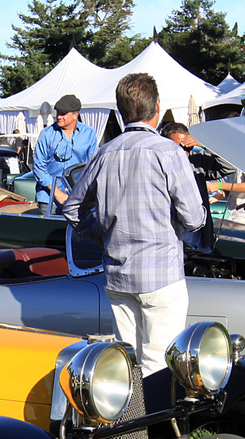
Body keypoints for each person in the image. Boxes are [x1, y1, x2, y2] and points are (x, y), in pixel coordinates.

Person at [62, 73, 203, 376]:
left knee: (128, 363)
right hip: (161, 273)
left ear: (120, 110)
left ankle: (133, 422)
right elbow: (193, 219)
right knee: (160, 364)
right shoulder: (169, 152)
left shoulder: (104, 153)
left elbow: (73, 208)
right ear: (158, 108)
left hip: (118, 274)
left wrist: (99, 235)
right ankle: (156, 423)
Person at [161, 121, 245, 248]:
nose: (184, 153)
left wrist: (205, 144)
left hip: (198, 238)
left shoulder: (197, 161)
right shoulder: (157, 165)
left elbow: (228, 166)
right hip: (169, 237)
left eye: (187, 148)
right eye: (179, 148)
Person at [32, 94, 98, 210]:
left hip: (78, 197)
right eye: (58, 113)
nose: (59, 117)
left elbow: (92, 166)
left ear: (75, 115)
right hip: (48, 199)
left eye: (63, 114)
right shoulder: (47, 133)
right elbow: (38, 166)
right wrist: (56, 192)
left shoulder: (89, 133)